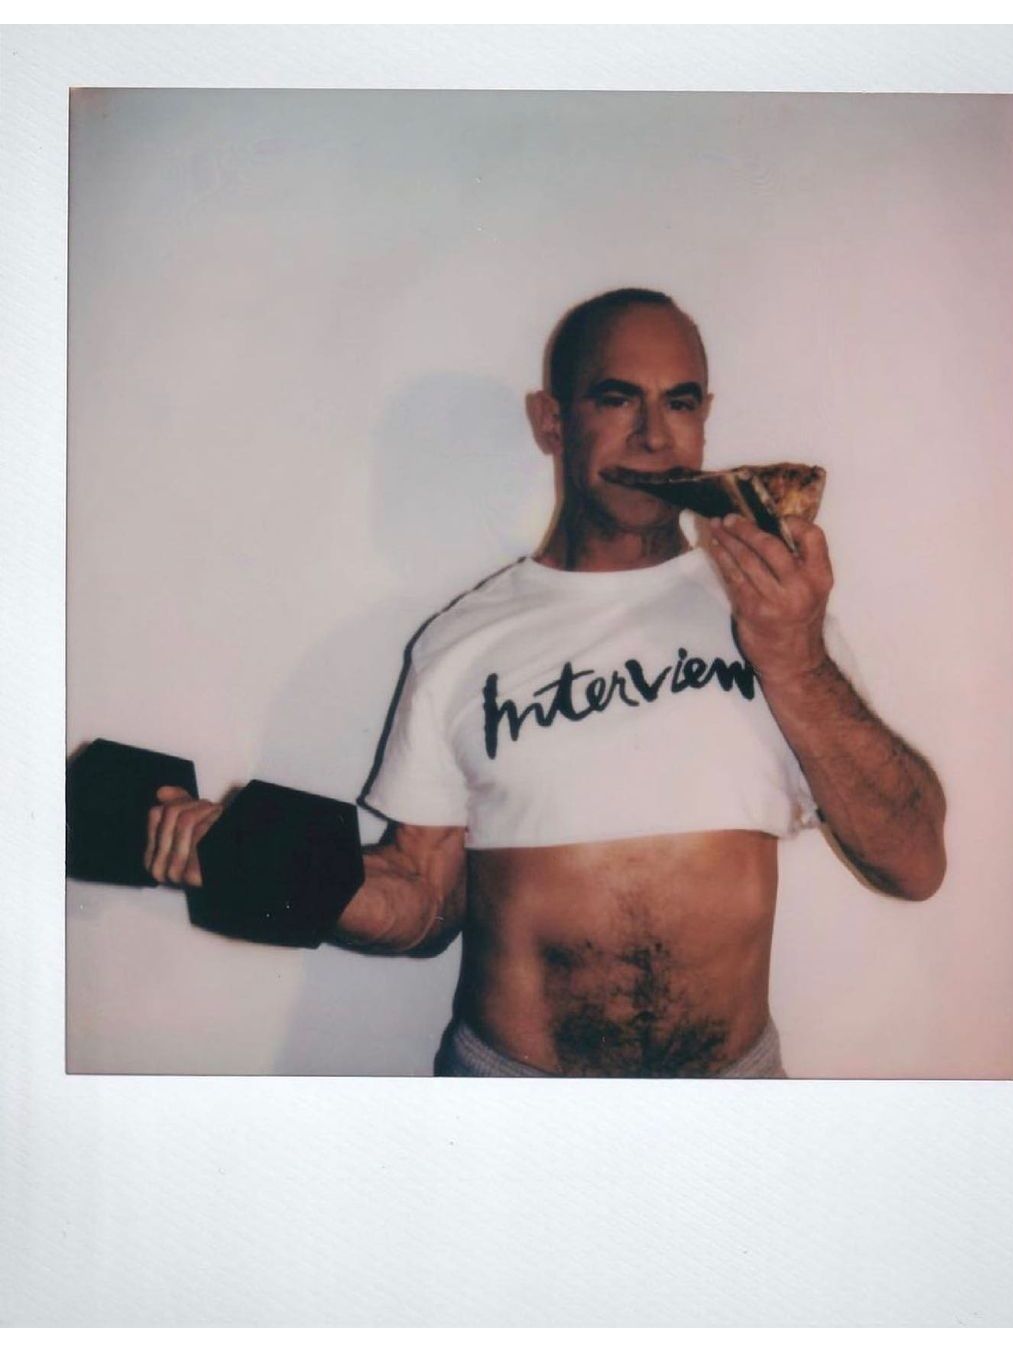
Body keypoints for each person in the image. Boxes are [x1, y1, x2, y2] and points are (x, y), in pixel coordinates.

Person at [145, 287, 947, 1078]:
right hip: (510, 1106)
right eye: (617, 399)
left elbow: (914, 864)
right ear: (552, 421)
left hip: (734, 1106)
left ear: (706, 416)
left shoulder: (774, 610)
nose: (654, 437)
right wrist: (257, 862)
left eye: (680, 403)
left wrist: (796, 659)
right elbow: (422, 902)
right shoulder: (462, 646)